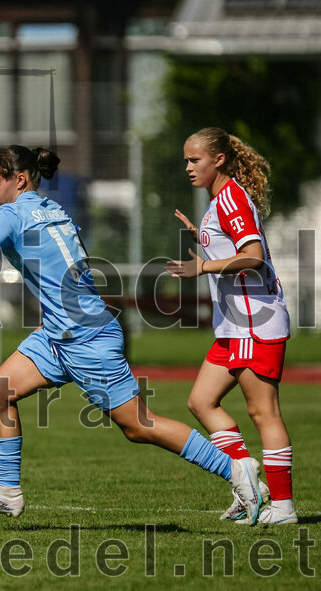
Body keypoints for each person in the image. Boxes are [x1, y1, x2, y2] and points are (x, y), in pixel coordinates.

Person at [0, 144, 264, 524]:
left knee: (138, 425)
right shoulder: (51, 206)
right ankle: (7, 493)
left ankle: (235, 470)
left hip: (85, 337)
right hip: (61, 334)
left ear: (20, 179)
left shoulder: (12, 213)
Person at [165, 128, 296, 525]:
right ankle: (248, 481)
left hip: (255, 322)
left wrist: (202, 264)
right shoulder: (221, 199)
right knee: (200, 401)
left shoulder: (232, 198)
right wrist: (203, 239)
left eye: (195, 160)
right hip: (234, 325)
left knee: (263, 413)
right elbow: (233, 247)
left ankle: (284, 508)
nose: (188, 167)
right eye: (186, 160)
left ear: (218, 160)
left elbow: (253, 257)